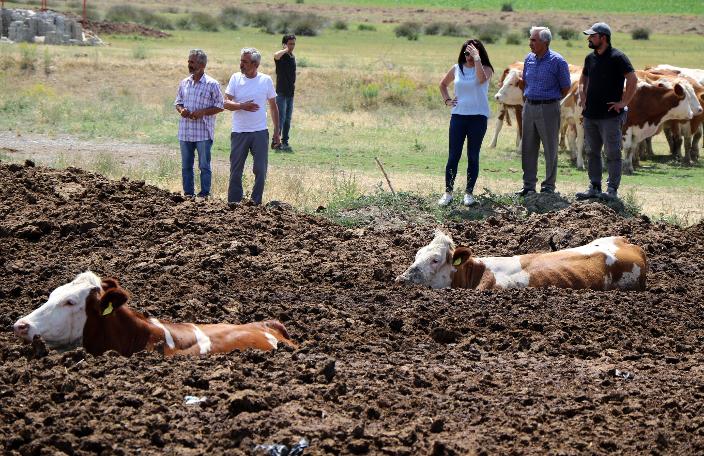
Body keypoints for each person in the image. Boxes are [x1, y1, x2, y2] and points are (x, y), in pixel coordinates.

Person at [576, 22, 637, 201]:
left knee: (612, 153)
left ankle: (612, 190)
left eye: (593, 36)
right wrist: (582, 94)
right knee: (592, 151)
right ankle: (594, 187)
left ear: (603, 38)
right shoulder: (590, 58)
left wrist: (623, 102)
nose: (589, 38)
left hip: (610, 116)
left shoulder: (618, 57)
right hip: (590, 114)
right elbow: (583, 78)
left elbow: (633, 80)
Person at [516, 26, 572, 197]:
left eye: (533, 40)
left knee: (550, 148)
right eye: (530, 39)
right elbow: (525, 81)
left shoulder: (558, 61)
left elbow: (565, 87)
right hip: (529, 107)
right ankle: (528, 185)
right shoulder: (529, 59)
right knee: (528, 147)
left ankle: (548, 185)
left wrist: (549, 100)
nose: (530, 43)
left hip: (549, 107)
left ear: (545, 42)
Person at [437, 39, 494, 207]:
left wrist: (477, 59)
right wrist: (447, 100)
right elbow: (442, 84)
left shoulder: (487, 69)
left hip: (478, 117)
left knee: (472, 156)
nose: (469, 56)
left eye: (473, 53)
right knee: (453, 155)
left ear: (479, 53)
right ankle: (448, 193)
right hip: (459, 117)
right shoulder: (456, 69)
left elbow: (481, 79)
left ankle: (468, 193)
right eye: (466, 53)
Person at [224, 48, 280, 205]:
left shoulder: (266, 80)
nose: (241, 64)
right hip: (239, 132)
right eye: (241, 60)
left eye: (245, 61)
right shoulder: (235, 78)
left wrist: (277, 132)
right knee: (236, 170)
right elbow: (225, 103)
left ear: (255, 64)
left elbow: (274, 107)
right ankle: (234, 203)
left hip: (260, 133)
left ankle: (255, 203)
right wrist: (242, 106)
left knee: (260, 169)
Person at [174, 49, 224, 199]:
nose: (189, 65)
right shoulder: (184, 83)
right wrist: (181, 110)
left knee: (204, 166)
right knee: (186, 166)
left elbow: (220, 106)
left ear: (202, 65)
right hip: (185, 131)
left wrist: (202, 112)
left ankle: (204, 194)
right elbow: (178, 102)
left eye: (192, 62)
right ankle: (188, 194)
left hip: (203, 132)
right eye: (189, 61)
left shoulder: (212, 84)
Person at [273, 34, 297, 152]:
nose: (292, 46)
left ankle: (285, 141)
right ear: (284, 44)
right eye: (290, 44)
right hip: (281, 92)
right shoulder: (281, 56)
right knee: (280, 118)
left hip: (290, 93)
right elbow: (275, 55)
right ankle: (275, 142)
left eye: (293, 44)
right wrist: (285, 49)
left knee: (287, 118)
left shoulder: (292, 57)